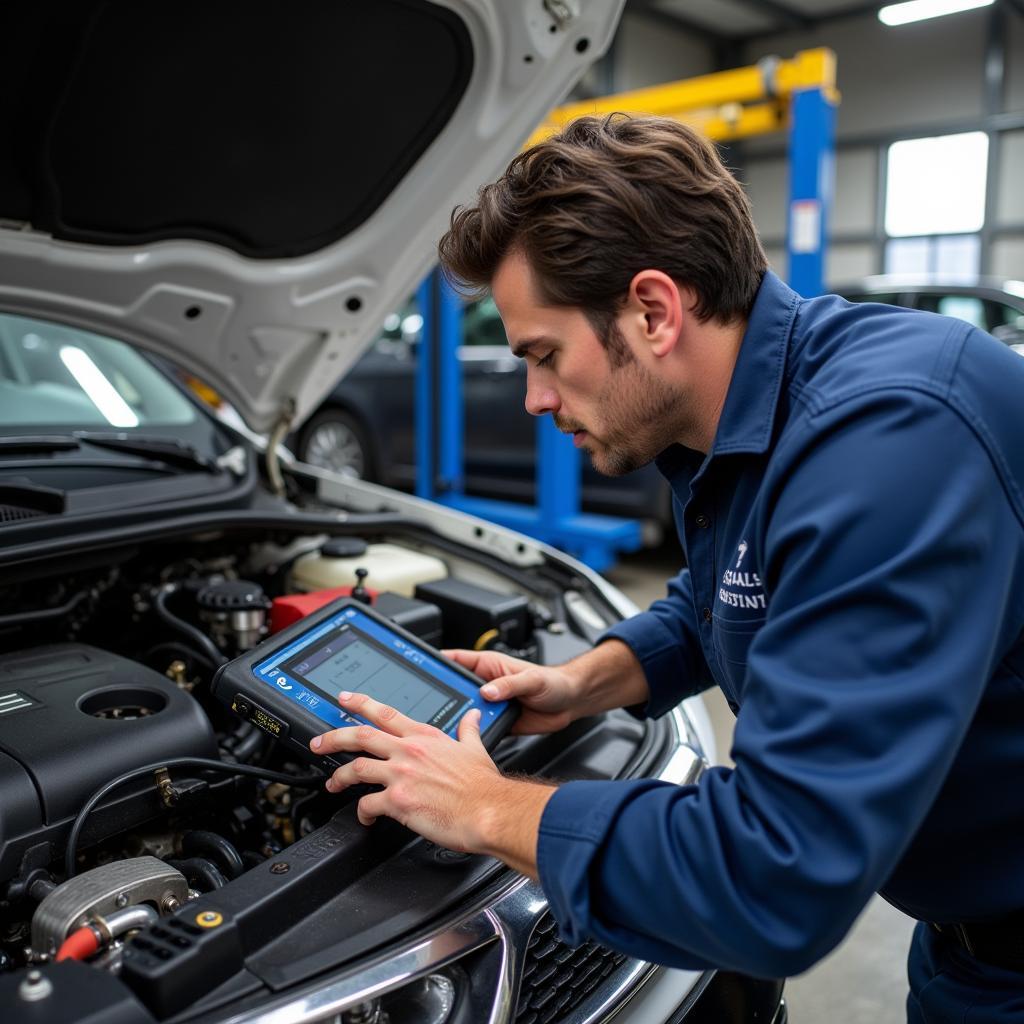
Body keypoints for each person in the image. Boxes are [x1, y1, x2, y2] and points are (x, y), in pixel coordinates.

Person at [309, 114, 1024, 1022]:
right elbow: (721, 599)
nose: (532, 396)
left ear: (652, 311)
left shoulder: (893, 440)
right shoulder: (752, 424)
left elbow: (774, 875)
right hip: (967, 943)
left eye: (543, 355)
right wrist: (579, 684)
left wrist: (487, 807)